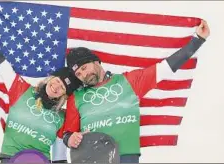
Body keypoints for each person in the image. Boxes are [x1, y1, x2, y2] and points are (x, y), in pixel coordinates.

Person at [62, 20, 210, 163]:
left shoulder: (129, 81)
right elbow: (67, 132)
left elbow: (165, 68)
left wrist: (197, 40)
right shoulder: (77, 97)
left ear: (95, 62)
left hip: (126, 157)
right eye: (79, 75)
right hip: (91, 158)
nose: (83, 75)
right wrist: (70, 139)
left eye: (84, 68)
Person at [0, 2, 82, 163]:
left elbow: (59, 157)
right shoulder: (20, 88)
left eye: (63, 88)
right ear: (51, 78)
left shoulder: (61, 117)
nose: (57, 87)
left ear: (64, 94)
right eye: (57, 81)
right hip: (10, 159)